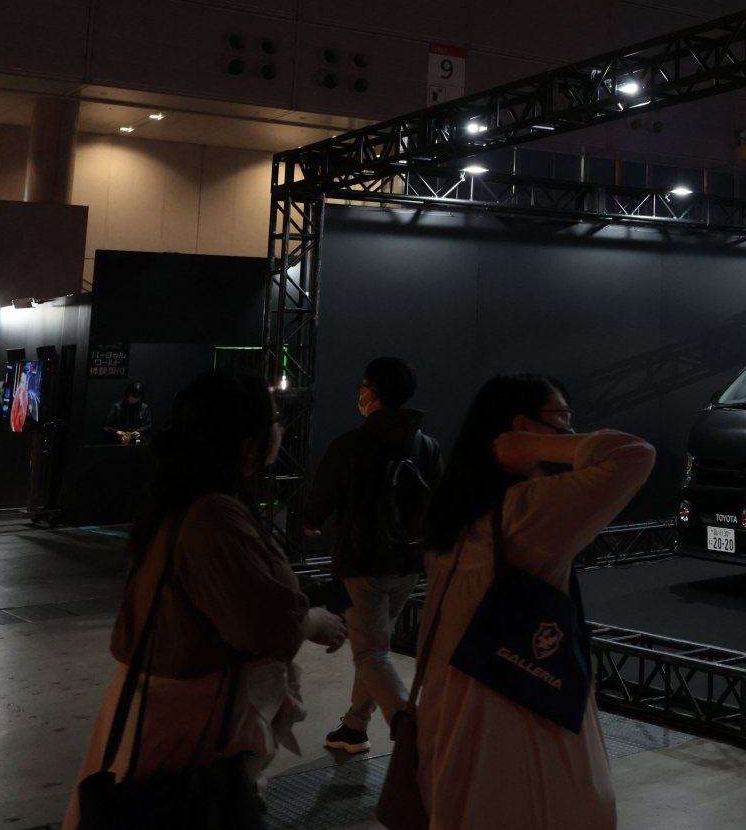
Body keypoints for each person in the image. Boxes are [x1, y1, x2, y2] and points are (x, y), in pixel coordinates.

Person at [61, 370, 348, 829]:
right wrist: (311, 619)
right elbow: (262, 625)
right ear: (248, 444)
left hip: (162, 716)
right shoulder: (214, 515)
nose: (279, 431)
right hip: (190, 733)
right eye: (274, 422)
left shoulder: (179, 502)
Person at [411, 376, 654, 830]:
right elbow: (633, 454)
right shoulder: (527, 511)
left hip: (449, 701)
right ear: (522, 425)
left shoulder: (455, 509)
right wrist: (532, 447)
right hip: (522, 696)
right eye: (561, 418)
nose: (569, 429)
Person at [305, 356, 445, 757]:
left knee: (371, 653)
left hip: (362, 563)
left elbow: (322, 496)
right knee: (376, 649)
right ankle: (354, 727)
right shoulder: (427, 446)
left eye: (363, 387)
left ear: (373, 393)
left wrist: (311, 520)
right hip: (408, 564)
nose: (360, 394)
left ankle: (413, 731)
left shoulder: (352, 445)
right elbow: (440, 502)